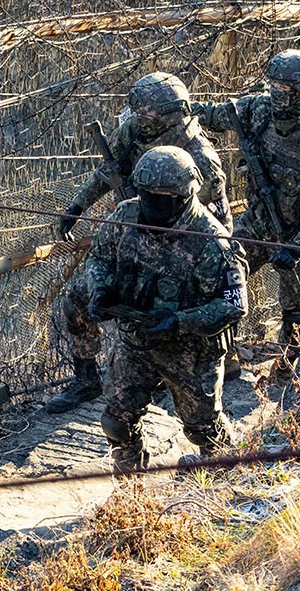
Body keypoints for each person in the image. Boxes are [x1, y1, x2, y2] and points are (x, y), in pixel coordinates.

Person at [49, 72, 233, 413]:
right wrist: (75, 208)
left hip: (185, 255)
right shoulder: (134, 131)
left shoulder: (202, 160)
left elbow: (218, 226)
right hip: (136, 240)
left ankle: (200, 370)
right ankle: (87, 379)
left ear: (171, 114)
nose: (138, 120)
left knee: (181, 321)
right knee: (78, 299)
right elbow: (109, 171)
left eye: (147, 115)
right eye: (138, 113)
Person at [193, 50, 300, 381]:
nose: (277, 94)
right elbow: (214, 116)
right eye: (274, 86)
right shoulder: (260, 109)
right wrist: (176, 112)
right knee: (223, 273)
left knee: (299, 311)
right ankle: (225, 357)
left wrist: (296, 247)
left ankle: (289, 370)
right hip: (261, 221)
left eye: (285, 89)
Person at [88, 147, 248, 469]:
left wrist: (179, 322)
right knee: (117, 421)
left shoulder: (212, 241)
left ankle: (225, 475)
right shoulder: (124, 217)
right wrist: (101, 290)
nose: (156, 204)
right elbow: (98, 258)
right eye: (150, 195)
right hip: (134, 342)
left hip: (190, 350)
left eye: (166, 197)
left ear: (186, 194)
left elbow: (234, 305)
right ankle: (130, 494)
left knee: (204, 430)